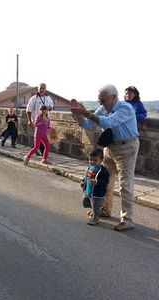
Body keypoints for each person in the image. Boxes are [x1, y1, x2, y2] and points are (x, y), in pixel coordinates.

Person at [70, 84, 139, 231]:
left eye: (103, 100)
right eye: (99, 100)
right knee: (105, 180)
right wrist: (77, 113)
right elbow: (87, 124)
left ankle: (128, 219)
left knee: (125, 185)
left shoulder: (125, 108)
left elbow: (108, 122)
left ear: (114, 97)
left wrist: (86, 112)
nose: (101, 103)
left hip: (127, 147)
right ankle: (105, 209)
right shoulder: (103, 108)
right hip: (110, 147)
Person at [81, 148, 110, 226]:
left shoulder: (103, 171)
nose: (92, 162)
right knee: (89, 203)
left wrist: (97, 182)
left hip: (97, 194)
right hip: (89, 190)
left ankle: (95, 218)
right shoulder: (89, 167)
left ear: (101, 160)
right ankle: (94, 212)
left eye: (95, 160)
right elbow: (86, 176)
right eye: (91, 159)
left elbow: (105, 181)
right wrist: (83, 182)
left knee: (96, 205)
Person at [26, 83, 54, 155]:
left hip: (46, 121)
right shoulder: (34, 98)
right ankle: (41, 152)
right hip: (38, 121)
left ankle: (36, 149)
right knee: (40, 135)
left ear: (45, 89)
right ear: (38, 89)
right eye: (40, 88)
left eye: (43, 88)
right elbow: (28, 110)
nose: (42, 90)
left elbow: (51, 107)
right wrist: (30, 121)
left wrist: (48, 108)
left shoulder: (48, 98)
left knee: (42, 135)